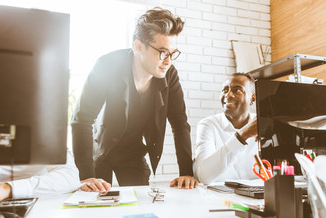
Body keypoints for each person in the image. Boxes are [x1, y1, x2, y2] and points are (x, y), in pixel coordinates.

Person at [71, 7, 198, 189]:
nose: (168, 61)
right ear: (139, 46)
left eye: (172, 53)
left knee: (140, 205)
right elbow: (82, 119)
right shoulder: (107, 64)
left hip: (132, 153)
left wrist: (186, 172)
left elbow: (180, 122)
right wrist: (86, 175)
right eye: (163, 52)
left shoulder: (169, 74)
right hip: (101, 150)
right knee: (96, 202)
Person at [194, 73, 259, 185]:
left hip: (258, 197)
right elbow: (204, 176)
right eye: (225, 90)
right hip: (219, 198)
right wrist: (242, 136)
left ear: (252, 98)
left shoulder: (262, 123)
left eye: (237, 90)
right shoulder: (208, 125)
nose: (228, 95)